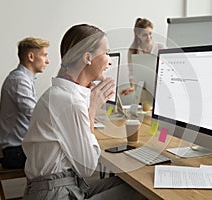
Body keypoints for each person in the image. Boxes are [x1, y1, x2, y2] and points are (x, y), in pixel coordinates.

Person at [22, 24, 146, 200]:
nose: (110, 61)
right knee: (140, 193)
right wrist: (91, 110)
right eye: (106, 53)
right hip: (55, 194)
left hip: (59, 186)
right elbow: (87, 167)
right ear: (87, 57)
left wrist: (89, 104)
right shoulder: (70, 101)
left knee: (131, 184)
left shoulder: (62, 94)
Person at [0, 37, 50, 169]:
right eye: (44, 55)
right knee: (60, 155)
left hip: (15, 149)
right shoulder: (19, 81)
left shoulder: (23, 79)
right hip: (13, 152)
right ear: (31, 57)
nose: (47, 61)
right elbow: (35, 115)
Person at [120, 18, 165, 95]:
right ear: (138, 35)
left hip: (160, 90)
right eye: (145, 35)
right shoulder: (133, 51)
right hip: (143, 92)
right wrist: (132, 87)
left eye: (150, 33)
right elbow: (131, 73)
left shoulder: (160, 47)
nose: (148, 37)